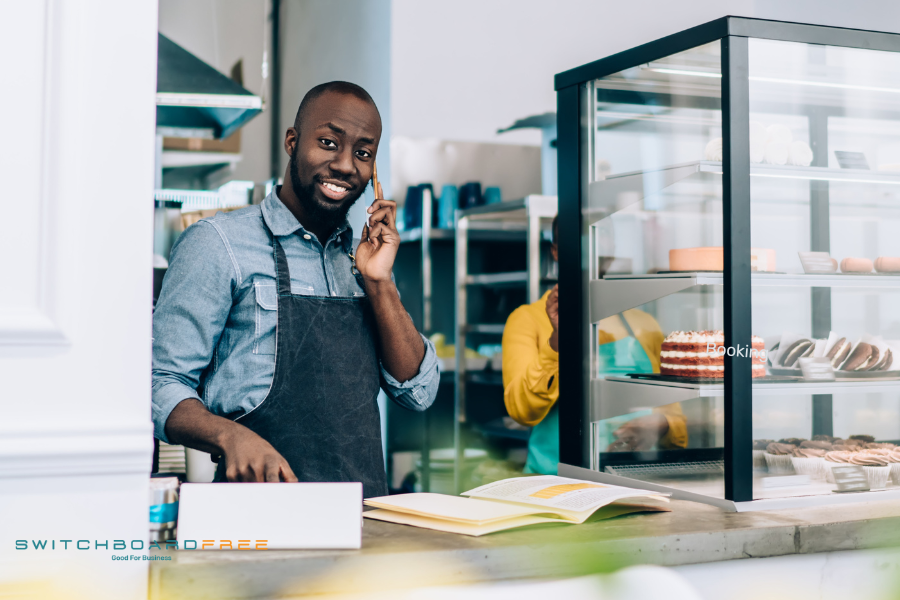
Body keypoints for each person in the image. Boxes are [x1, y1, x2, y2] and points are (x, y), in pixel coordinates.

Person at [152, 82, 439, 498]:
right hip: (257, 518)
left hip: (361, 520)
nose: (344, 165)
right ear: (292, 142)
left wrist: (379, 282)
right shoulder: (219, 244)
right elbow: (160, 381)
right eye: (327, 143)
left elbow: (420, 393)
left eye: (362, 153)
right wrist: (231, 437)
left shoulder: (365, 260)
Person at [502, 216, 687, 475]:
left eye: (600, 246)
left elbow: (675, 416)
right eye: (579, 244)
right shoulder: (526, 320)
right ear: (555, 251)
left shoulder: (644, 324)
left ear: (611, 254)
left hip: (634, 478)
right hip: (552, 483)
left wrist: (660, 424)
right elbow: (522, 411)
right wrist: (558, 341)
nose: (589, 254)